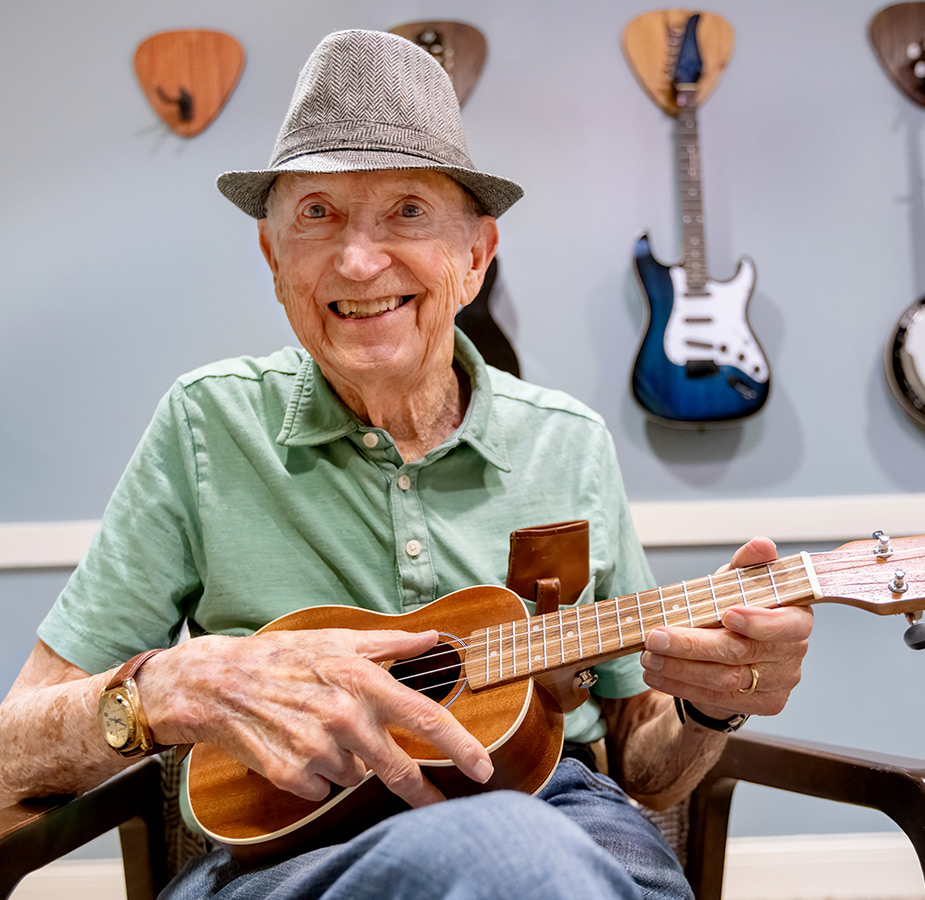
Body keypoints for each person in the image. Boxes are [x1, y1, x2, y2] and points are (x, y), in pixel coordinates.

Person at [0, 29, 812, 900]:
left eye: (408, 212)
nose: (358, 260)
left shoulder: (567, 443)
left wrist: (709, 702)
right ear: (276, 261)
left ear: (475, 258)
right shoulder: (205, 424)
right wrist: (164, 686)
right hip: (290, 858)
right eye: (317, 214)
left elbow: (646, 773)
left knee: (525, 856)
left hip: (564, 823)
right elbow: (14, 750)